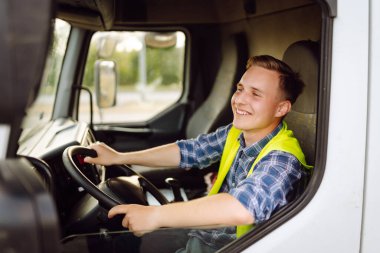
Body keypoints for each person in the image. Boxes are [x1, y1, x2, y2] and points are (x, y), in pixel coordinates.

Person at [84, 55, 312, 252]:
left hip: (234, 247)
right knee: (116, 243)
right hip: (206, 234)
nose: (240, 99)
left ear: (281, 108)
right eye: (240, 89)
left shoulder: (283, 159)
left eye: (256, 94)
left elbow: (244, 208)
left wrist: (156, 216)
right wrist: (120, 157)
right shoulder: (238, 132)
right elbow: (189, 151)